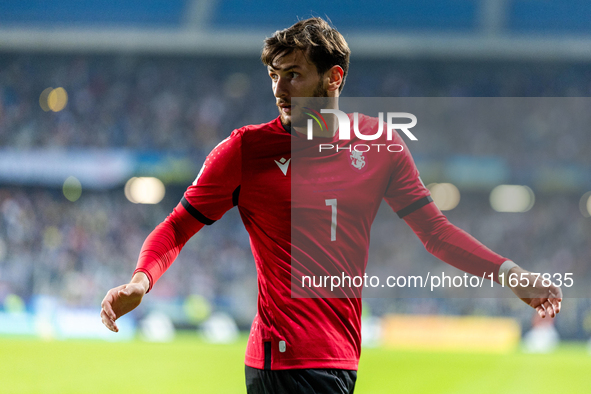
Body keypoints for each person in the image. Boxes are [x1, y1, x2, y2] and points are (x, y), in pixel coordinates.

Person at [101, 17, 562, 394]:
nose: (280, 89)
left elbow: (436, 233)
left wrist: (509, 273)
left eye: (294, 75)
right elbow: (178, 226)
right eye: (274, 76)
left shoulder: (381, 146)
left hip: (342, 359)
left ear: (334, 77)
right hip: (281, 363)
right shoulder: (244, 150)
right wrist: (142, 280)